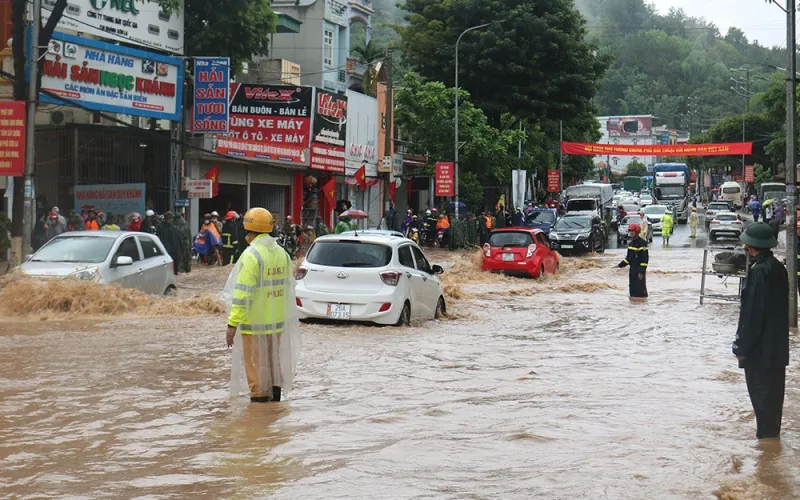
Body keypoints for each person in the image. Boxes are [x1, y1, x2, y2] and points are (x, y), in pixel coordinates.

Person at [223, 207, 301, 403]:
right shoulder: (282, 254)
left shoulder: (252, 255)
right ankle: (275, 408)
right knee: (273, 364)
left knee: (256, 368)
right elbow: (288, 289)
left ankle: (259, 416)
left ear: (249, 231)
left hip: (254, 324)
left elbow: (242, 294)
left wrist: (232, 324)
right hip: (277, 323)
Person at [733, 222, 789, 439]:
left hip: (760, 352)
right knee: (773, 403)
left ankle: (765, 448)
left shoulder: (758, 273)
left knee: (762, 402)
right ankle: (770, 448)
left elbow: (752, 316)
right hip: (777, 349)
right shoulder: (777, 268)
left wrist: (741, 347)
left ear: (750, 246)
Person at [617, 223, 649, 299]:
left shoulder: (642, 243)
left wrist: (641, 272)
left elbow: (645, 260)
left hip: (639, 271)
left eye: (633, 231)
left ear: (637, 232)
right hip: (632, 271)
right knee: (632, 291)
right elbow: (628, 259)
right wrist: (620, 265)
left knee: (640, 291)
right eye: (630, 231)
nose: (631, 232)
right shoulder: (631, 244)